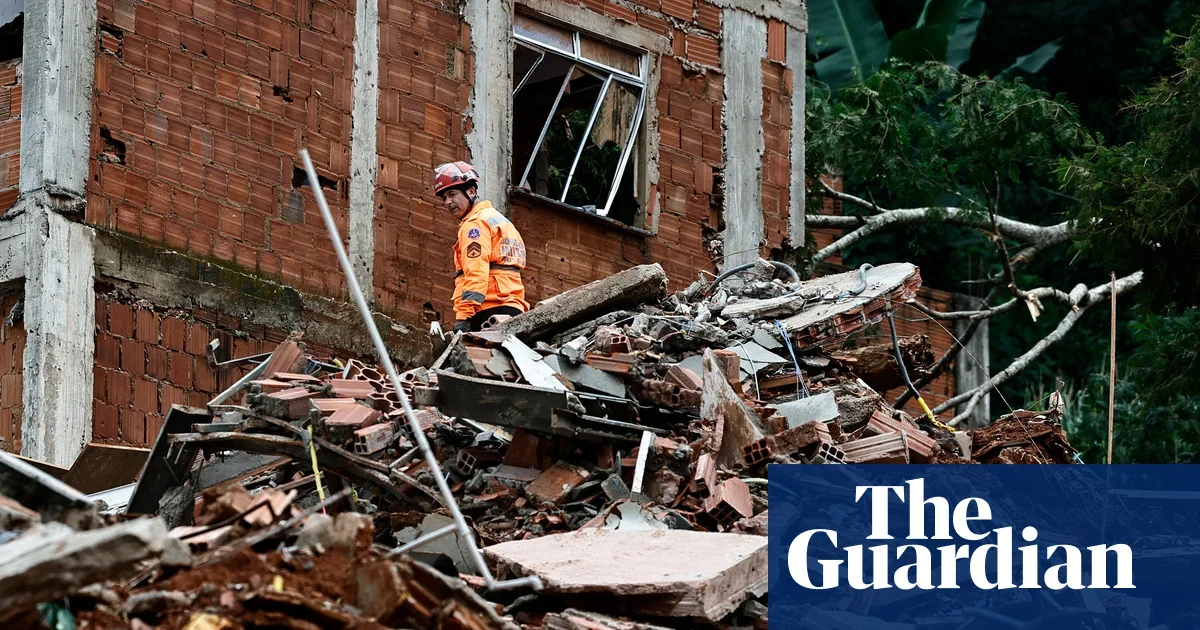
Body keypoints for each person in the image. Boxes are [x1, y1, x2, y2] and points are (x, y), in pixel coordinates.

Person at [432, 161, 530, 333]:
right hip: (513, 309)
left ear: (471, 191)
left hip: (488, 310)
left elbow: (476, 273)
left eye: (452, 194)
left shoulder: (475, 225)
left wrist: (464, 317)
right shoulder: (500, 221)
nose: (448, 202)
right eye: (444, 197)